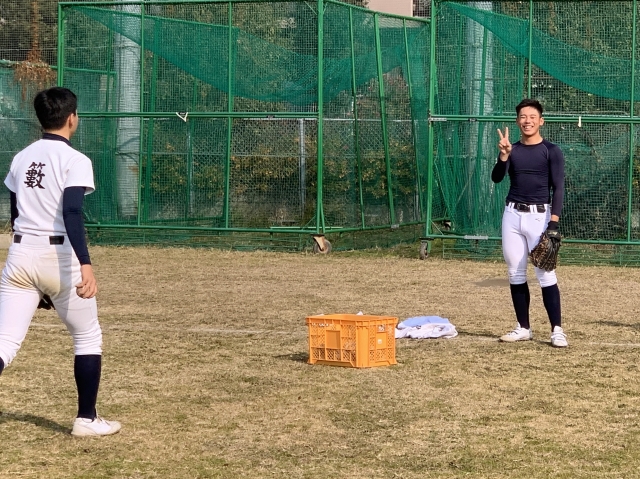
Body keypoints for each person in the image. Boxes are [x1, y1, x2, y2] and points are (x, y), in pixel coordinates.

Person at [0, 87, 121, 435]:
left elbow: (15, 213)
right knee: (87, 337)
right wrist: (86, 265)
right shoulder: (75, 160)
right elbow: (71, 212)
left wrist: (34, 282)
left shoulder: (21, 157)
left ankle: (88, 419)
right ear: (71, 118)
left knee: (5, 343)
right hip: (59, 256)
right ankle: (86, 420)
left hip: (20, 254)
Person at [492, 98, 567, 348]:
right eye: (523, 117)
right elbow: (496, 178)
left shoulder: (551, 151)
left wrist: (553, 223)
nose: (528, 121)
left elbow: (558, 188)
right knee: (515, 272)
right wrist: (503, 156)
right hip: (512, 215)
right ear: (517, 121)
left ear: (541, 121)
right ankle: (523, 328)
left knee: (545, 273)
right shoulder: (512, 149)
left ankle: (557, 330)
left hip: (539, 216)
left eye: (532, 117)